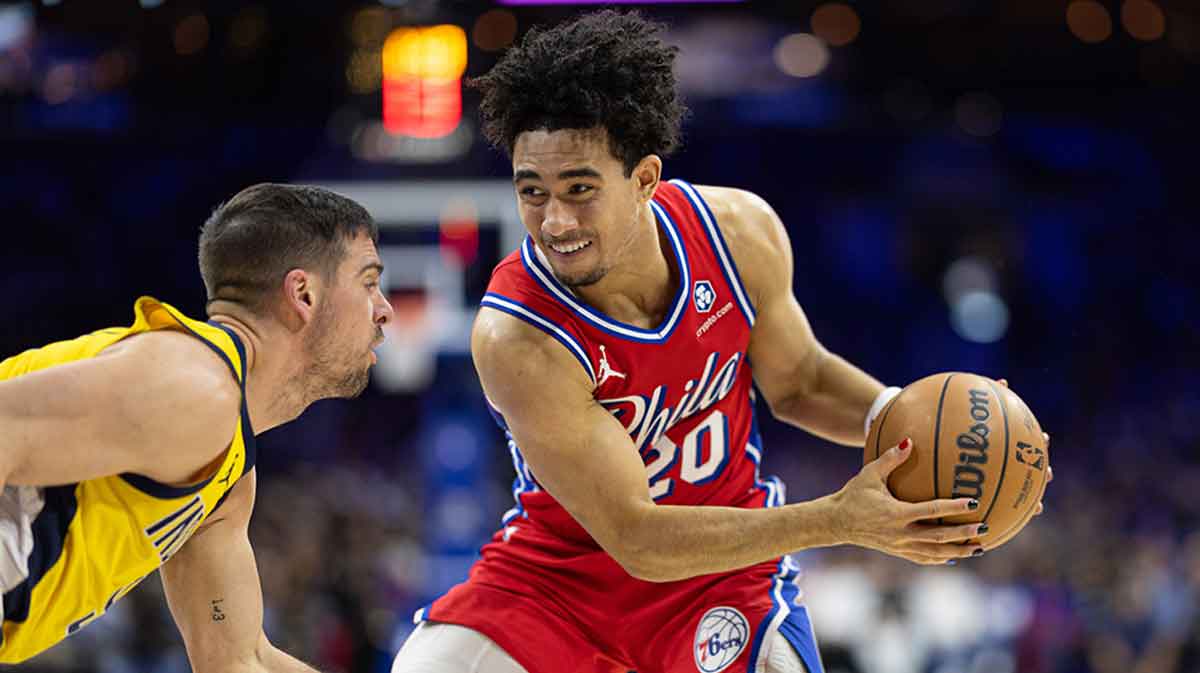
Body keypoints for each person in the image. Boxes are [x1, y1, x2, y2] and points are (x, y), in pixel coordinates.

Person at [391, 10, 1047, 673]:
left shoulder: (738, 234)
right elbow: (637, 537)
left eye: (580, 189)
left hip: (723, 575)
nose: (554, 220)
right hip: (559, 586)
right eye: (532, 191)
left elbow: (802, 382)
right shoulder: (517, 334)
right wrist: (840, 519)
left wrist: (910, 425)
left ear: (645, 178)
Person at [0, 183, 393, 668]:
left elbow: (241, 660)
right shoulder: (193, 388)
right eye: (369, 283)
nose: (384, 309)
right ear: (304, 293)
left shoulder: (227, 467)